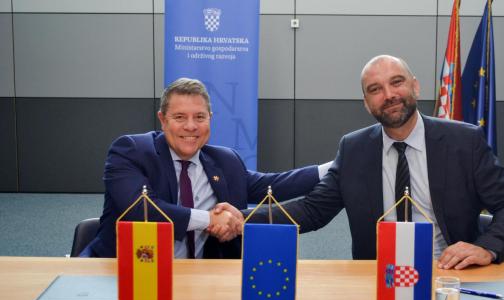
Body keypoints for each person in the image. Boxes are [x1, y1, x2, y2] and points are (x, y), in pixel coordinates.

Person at [246, 55, 504, 270]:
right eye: (375, 89)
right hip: (379, 276)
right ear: (366, 103)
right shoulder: (354, 148)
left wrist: (488, 248)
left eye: (397, 82)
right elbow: (312, 211)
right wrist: (240, 219)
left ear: (415, 86)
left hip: (448, 270)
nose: (389, 95)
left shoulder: (463, 142)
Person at [81, 78, 326, 259]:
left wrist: (336, 166)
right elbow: (142, 210)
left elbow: (273, 186)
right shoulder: (131, 151)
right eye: (179, 117)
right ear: (163, 120)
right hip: (122, 272)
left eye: (199, 117)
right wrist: (208, 219)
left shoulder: (224, 160)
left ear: (210, 118)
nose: (191, 126)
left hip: (199, 279)